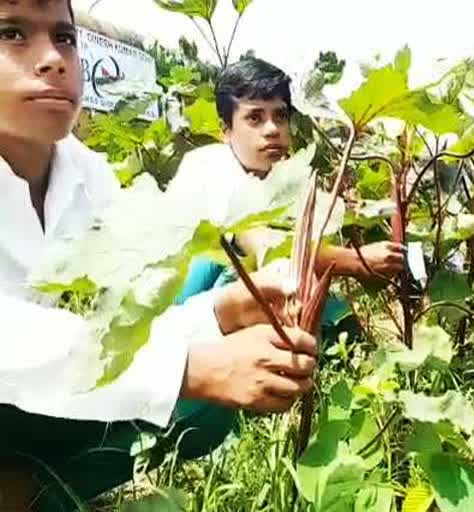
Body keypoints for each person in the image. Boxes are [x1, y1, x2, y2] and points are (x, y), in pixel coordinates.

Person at [0, 2, 317, 510]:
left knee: (209, 408)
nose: (52, 60)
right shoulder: (207, 166)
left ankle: (39, 490)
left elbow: (118, 327)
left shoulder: (88, 175)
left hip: (37, 403)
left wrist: (221, 313)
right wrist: (192, 365)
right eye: (11, 33)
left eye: (65, 38)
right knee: (189, 379)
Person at [168, 57, 405, 335]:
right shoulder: (210, 164)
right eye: (254, 118)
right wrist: (357, 260)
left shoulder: (280, 175)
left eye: (279, 116)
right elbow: (261, 242)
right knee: (266, 267)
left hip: (227, 298)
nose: (272, 129)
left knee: (338, 315)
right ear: (225, 131)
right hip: (177, 310)